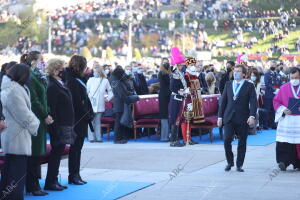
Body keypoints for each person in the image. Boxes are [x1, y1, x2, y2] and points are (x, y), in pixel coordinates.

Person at [0, 64, 40, 200]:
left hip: (15, 134)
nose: (29, 78)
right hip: (16, 135)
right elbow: (22, 113)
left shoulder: (15, 88)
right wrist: (35, 124)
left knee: (10, 171)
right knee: (16, 174)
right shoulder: (13, 90)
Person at [21, 51, 53, 196]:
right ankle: (33, 186)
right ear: (33, 61)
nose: (43, 62)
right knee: (33, 154)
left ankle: (33, 184)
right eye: (41, 59)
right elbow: (34, 100)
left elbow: (43, 97)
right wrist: (45, 114)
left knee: (36, 153)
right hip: (35, 119)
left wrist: (47, 112)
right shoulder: (31, 76)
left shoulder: (37, 75)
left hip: (40, 119)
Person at [218, 64, 257, 172]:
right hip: (229, 117)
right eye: (235, 71)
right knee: (226, 140)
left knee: (242, 142)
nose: (236, 73)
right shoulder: (228, 84)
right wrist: (220, 117)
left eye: (239, 71)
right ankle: (229, 162)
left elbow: (253, 102)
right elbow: (223, 102)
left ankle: (239, 164)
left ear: (244, 74)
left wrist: (252, 116)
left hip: (243, 117)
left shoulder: (249, 86)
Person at [45, 58, 75, 191]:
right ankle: (50, 182)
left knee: (59, 151)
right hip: (58, 124)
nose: (63, 71)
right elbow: (52, 108)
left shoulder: (59, 82)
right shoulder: (52, 85)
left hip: (65, 123)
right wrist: (55, 127)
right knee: (56, 152)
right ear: (55, 70)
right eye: (61, 68)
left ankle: (54, 180)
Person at [64, 55, 93, 185]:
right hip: (76, 118)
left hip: (81, 117)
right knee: (75, 148)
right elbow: (75, 101)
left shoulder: (78, 78)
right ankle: (73, 175)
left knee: (78, 148)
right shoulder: (72, 79)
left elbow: (84, 98)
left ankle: (76, 174)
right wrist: (86, 112)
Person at [273, 67, 300, 171]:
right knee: (285, 142)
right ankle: (283, 162)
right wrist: (283, 109)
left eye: (297, 77)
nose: (294, 80)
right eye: (292, 77)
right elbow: (276, 101)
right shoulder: (284, 88)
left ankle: (298, 163)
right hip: (287, 120)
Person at [110, 66, 139, 143]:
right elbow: (121, 94)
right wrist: (128, 100)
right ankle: (117, 139)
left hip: (120, 103)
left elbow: (124, 92)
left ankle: (119, 138)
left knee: (119, 122)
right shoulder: (116, 81)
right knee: (118, 122)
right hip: (119, 104)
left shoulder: (116, 80)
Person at [180, 57, 204, 145]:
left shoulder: (195, 74)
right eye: (191, 65)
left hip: (195, 99)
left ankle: (189, 138)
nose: (193, 66)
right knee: (186, 119)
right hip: (188, 100)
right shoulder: (186, 75)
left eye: (194, 65)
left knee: (190, 120)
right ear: (187, 65)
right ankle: (185, 138)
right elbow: (186, 88)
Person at [87, 62, 113, 142]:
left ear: (100, 72)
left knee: (98, 121)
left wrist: (108, 99)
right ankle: (91, 138)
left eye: (96, 71)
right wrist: (88, 99)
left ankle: (98, 138)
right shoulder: (90, 80)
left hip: (100, 103)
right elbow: (87, 91)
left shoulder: (105, 81)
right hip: (91, 103)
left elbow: (110, 91)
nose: (95, 73)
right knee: (91, 122)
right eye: (94, 71)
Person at [169, 47, 187, 147]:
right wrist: (181, 91)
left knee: (178, 119)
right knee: (175, 119)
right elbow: (173, 87)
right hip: (176, 98)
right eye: (180, 64)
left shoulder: (180, 73)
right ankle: (173, 140)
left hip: (180, 98)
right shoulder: (175, 74)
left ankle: (175, 139)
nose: (182, 65)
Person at [264, 64, 282, 129]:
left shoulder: (278, 75)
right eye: (272, 65)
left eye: (274, 65)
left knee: (274, 110)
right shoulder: (267, 74)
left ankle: (273, 124)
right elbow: (267, 83)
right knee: (267, 110)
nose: (273, 66)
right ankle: (265, 125)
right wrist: (274, 88)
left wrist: (279, 89)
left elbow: (280, 83)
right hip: (269, 94)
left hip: (276, 95)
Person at [158, 60, 171, 142]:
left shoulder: (161, 73)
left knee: (165, 117)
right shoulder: (165, 75)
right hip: (165, 97)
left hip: (163, 96)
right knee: (165, 117)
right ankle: (164, 137)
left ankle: (165, 136)